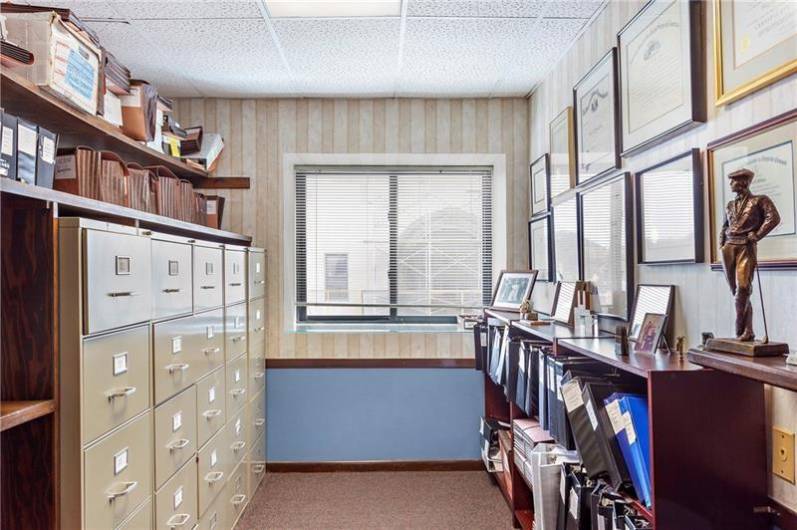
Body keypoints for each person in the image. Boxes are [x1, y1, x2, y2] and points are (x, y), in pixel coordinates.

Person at [719, 168, 780, 341]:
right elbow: (724, 226)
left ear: (743, 182)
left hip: (746, 246)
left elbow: (773, 218)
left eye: (733, 181)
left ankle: (739, 328)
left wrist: (758, 234)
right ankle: (748, 331)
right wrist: (721, 244)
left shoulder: (759, 200)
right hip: (729, 248)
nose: (730, 184)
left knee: (744, 288)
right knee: (736, 291)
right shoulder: (730, 205)